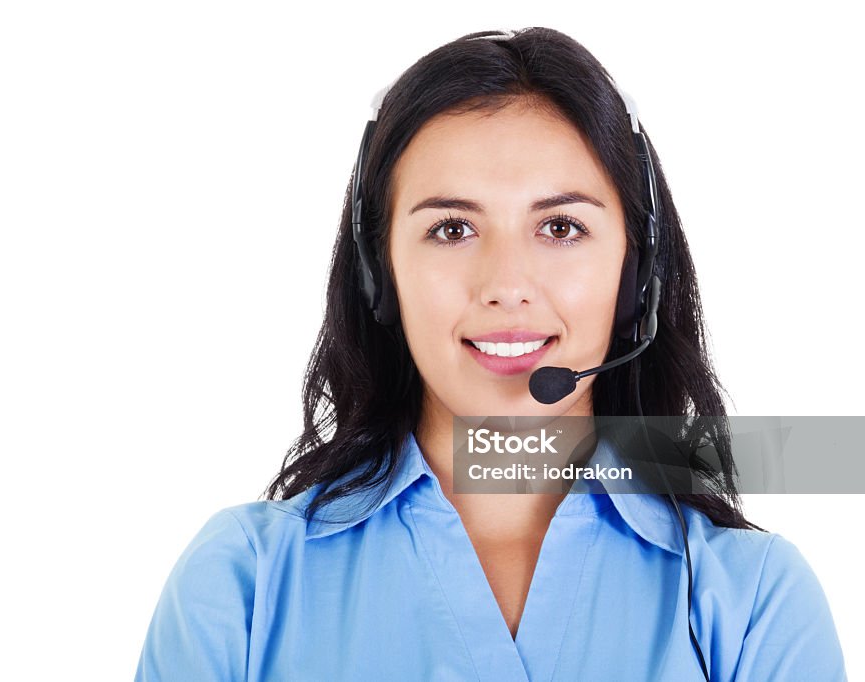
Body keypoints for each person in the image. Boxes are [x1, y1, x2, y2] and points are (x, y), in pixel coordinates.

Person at [134, 27, 846, 681]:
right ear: (380, 275)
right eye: (451, 230)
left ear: (638, 274)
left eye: (562, 226)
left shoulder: (754, 603)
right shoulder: (240, 587)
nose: (507, 286)